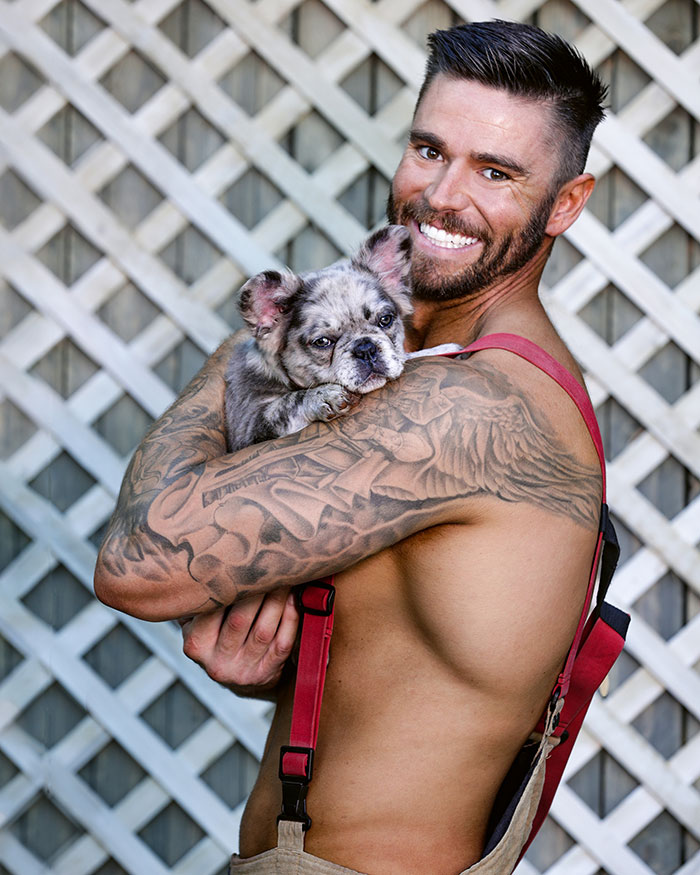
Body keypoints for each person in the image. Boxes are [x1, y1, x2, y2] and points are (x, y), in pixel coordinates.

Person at [94, 19, 608, 875]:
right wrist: (279, 665)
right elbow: (421, 671)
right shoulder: (425, 372)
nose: (443, 195)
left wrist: (266, 344)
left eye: (495, 171)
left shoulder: (464, 404)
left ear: (566, 203)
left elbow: (138, 558)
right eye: (429, 148)